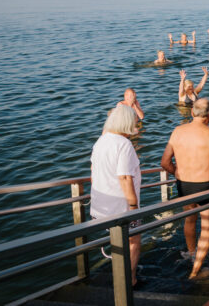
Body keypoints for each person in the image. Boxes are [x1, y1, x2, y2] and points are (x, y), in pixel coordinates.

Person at [160, 99, 209, 279]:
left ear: (192, 112)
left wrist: (177, 173)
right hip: (205, 185)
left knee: (189, 221)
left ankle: (191, 255)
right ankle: (196, 269)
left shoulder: (177, 132)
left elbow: (164, 162)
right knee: (207, 226)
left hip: (183, 184)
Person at [90, 106, 142, 286]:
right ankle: (129, 281)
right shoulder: (123, 144)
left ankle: (119, 272)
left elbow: (92, 170)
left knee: (118, 240)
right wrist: (134, 207)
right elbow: (125, 177)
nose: (137, 124)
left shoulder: (101, 141)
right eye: (135, 121)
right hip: (121, 207)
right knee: (134, 240)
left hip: (100, 205)